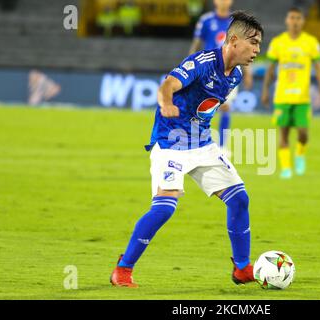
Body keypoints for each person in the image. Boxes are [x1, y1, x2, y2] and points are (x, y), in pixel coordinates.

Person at [110, 11, 263, 287]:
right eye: (253, 43)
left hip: (202, 143)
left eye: (260, 44)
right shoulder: (203, 62)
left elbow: (205, 106)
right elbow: (168, 84)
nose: (257, 50)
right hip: (171, 142)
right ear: (233, 40)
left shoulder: (236, 75)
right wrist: (166, 104)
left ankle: (242, 268)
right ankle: (123, 268)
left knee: (239, 198)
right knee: (164, 208)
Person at [261, 7, 320, 178]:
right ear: (287, 20)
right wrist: (265, 90)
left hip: (302, 97)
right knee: (283, 132)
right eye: (292, 18)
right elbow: (270, 69)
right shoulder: (278, 42)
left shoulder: (311, 42)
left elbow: (318, 66)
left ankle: (299, 154)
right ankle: (286, 168)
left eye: (298, 18)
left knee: (303, 133)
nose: (295, 21)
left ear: (303, 21)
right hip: (282, 96)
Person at [189, 0, 253, 153]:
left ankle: (223, 147)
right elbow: (196, 45)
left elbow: (245, 49)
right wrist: (190, 67)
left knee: (225, 106)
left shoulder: (237, 23)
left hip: (229, 70)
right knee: (199, 108)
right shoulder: (206, 20)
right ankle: (196, 143)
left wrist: (248, 72)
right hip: (207, 69)